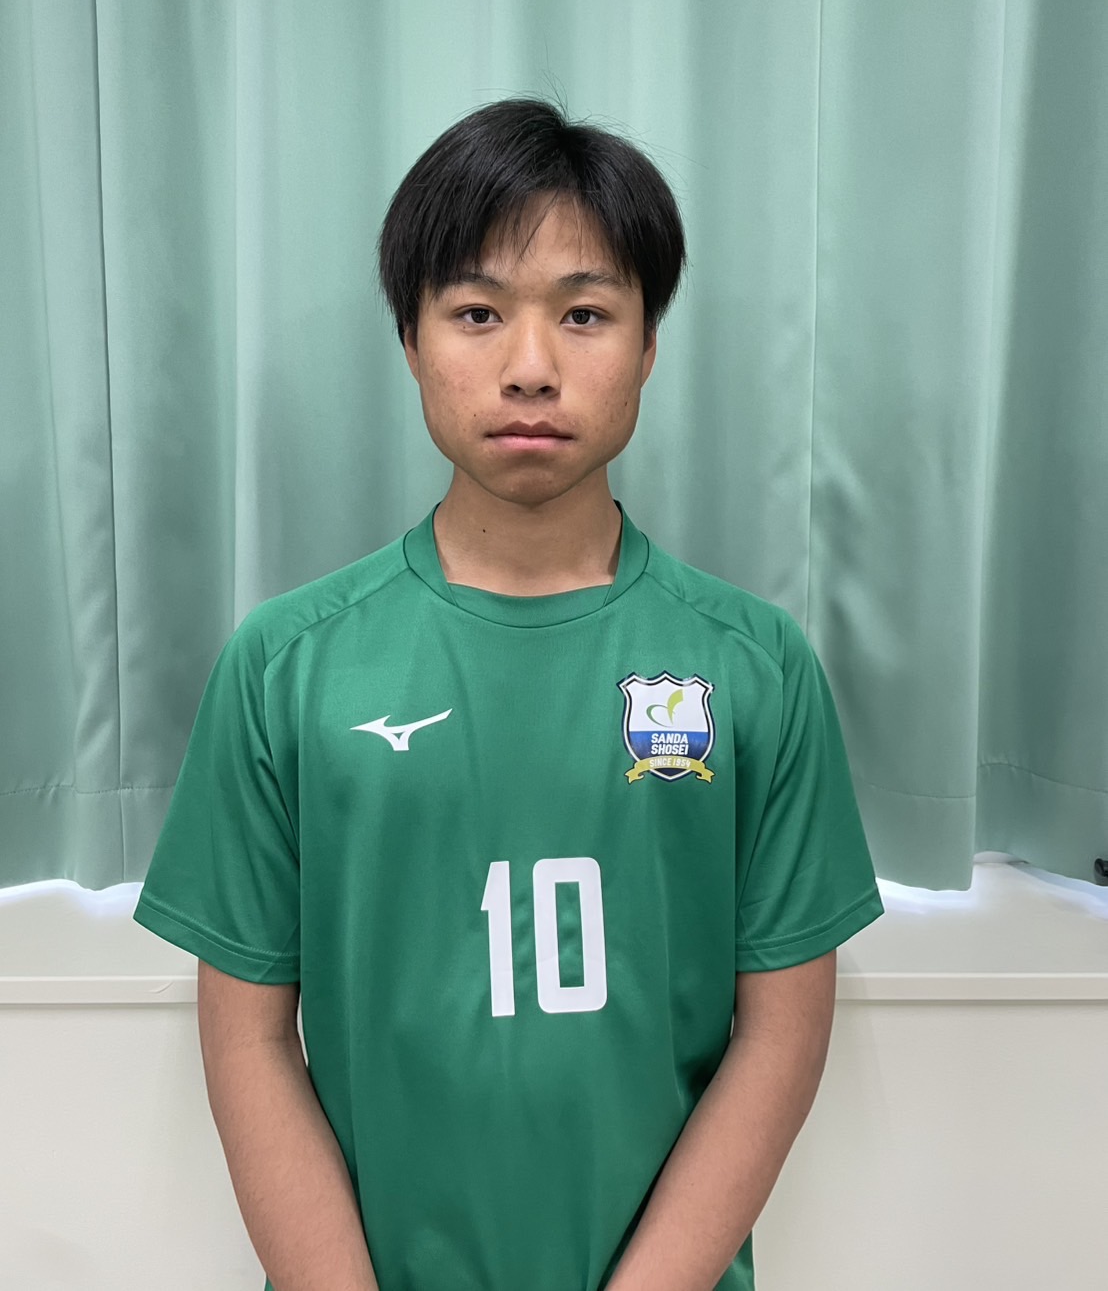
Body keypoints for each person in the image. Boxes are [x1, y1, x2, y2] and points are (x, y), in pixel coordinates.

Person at [133, 96, 885, 1291]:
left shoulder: (753, 663)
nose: (530, 368)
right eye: (476, 312)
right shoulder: (285, 663)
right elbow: (248, 1041)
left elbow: (782, 1037)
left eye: (584, 314)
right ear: (411, 341)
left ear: (647, 346)